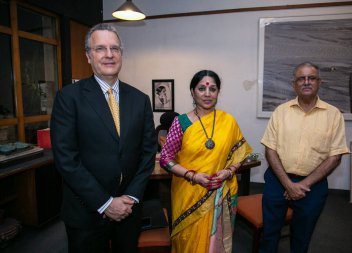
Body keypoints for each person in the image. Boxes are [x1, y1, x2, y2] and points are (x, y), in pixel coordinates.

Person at [50, 23, 157, 253]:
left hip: (129, 209)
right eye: (100, 48)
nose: (109, 54)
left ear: (121, 54)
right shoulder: (68, 98)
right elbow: (66, 159)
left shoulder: (140, 99)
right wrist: (106, 203)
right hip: (86, 211)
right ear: (88, 56)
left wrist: (130, 196)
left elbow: (148, 153)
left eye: (115, 48)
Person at [260, 62, 349, 253]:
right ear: (294, 84)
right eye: (301, 78)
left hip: (313, 186)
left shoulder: (333, 115)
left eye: (312, 78)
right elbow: (270, 150)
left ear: (319, 82)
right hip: (278, 181)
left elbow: (335, 156)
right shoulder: (280, 112)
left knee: (302, 236)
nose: (306, 82)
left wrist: (303, 185)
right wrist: (288, 184)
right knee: (269, 233)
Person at [159, 70, 253, 252]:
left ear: (218, 92)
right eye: (201, 88)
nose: (207, 94)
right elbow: (165, 159)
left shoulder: (229, 121)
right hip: (189, 192)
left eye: (213, 89)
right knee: (189, 241)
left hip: (220, 191)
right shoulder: (182, 122)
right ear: (193, 92)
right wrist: (192, 176)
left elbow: (241, 154)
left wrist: (228, 171)